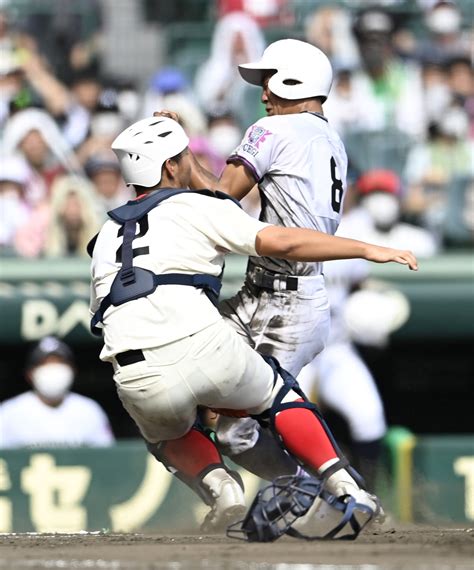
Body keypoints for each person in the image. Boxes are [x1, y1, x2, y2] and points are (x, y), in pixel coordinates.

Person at [89, 115, 417, 533]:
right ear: (170, 166)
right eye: (185, 155)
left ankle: (223, 492)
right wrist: (366, 249)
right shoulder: (194, 205)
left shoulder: (104, 233)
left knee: (165, 435)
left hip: (134, 370)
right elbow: (284, 240)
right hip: (203, 345)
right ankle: (347, 489)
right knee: (276, 396)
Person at [156, 38, 366, 483]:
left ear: (294, 81)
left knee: (235, 431)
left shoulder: (273, 130)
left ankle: (317, 492)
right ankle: (307, 489)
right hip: (269, 294)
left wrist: (178, 154)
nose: (264, 93)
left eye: (270, 82)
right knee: (187, 380)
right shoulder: (332, 139)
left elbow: (218, 200)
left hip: (288, 305)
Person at [0, 336, 114, 448]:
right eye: (44, 364)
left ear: (72, 370)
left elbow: (105, 458)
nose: (53, 368)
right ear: (30, 374)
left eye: (59, 362)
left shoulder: (89, 410)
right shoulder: (9, 412)